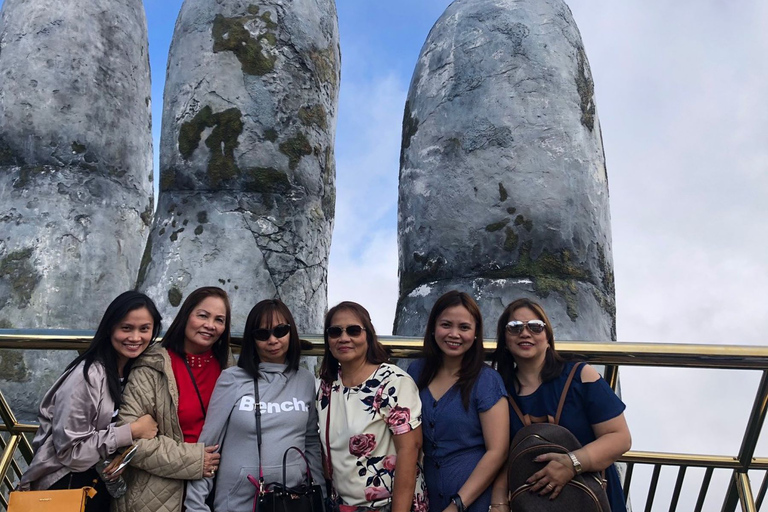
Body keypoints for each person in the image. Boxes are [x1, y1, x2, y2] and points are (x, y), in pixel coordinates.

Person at [19, 291, 161, 512]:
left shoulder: (135, 370)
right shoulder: (87, 377)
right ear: (110, 328)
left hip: (98, 481)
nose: (135, 337)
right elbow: (70, 452)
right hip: (67, 486)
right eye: (126, 328)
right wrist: (131, 431)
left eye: (144, 329)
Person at [491, 298, 631, 511]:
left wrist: (573, 463)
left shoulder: (580, 376)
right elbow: (501, 454)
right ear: (505, 340)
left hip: (588, 496)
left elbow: (620, 437)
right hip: (532, 501)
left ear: (548, 338)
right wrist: (499, 501)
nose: (525, 333)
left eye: (536, 327)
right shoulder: (499, 391)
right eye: (515, 327)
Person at [184, 298, 323, 512]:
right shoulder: (232, 379)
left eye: (280, 330)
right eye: (262, 334)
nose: (272, 340)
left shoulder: (305, 380)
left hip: (291, 502)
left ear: (291, 332)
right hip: (236, 503)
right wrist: (195, 505)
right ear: (252, 339)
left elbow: (311, 442)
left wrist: (320, 495)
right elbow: (209, 445)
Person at [115, 286, 233, 512]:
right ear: (186, 315)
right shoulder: (153, 367)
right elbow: (130, 443)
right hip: (158, 495)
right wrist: (195, 461)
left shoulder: (228, 367)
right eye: (202, 315)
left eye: (219, 319)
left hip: (218, 491)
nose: (210, 325)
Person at [318, 301, 427, 512]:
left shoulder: (393, 382)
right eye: (335, 331)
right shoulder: (327, 385)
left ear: (368, 335)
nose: (344, 338)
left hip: (388, 505)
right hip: (342, 505)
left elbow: (409, 450)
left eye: (353, 330)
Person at [407, 290, 509, 512]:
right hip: (428, 498)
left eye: (464, 327)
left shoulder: (487, 381)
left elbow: (497, 451)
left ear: (475, 334)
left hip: (475, 501)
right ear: (433, 328)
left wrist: (458, 504)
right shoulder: (416, 372)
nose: (454, 334)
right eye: (446, 325)